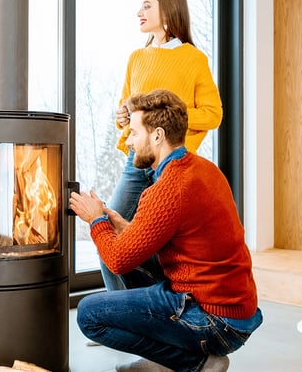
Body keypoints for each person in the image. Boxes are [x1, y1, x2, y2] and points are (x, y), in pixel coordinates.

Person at [69, 90, 260, 372]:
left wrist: (96, 220)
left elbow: (117, 260)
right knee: (134, 258)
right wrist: (121, 226)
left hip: (215, 321)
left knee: (89, 315)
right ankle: (168, 359)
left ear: (157, 135)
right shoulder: (203, 169)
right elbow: (170, 238)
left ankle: (196, 362)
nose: (129, 141)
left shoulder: (169, 188)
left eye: (134, 133)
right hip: (234, 310)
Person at [100, 0, 223, 292]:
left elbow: (212, 113)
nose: (139, 13)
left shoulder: (193, 59)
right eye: (140, 7)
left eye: (146, 6)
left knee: (161, 250)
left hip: (170, 166)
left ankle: (163, 312)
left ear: (167, 11)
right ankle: (122, 313)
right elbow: (127, 106)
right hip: (136, 161)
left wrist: (167, 116)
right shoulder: (137, 57)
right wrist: (123, 118)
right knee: (109, 235)